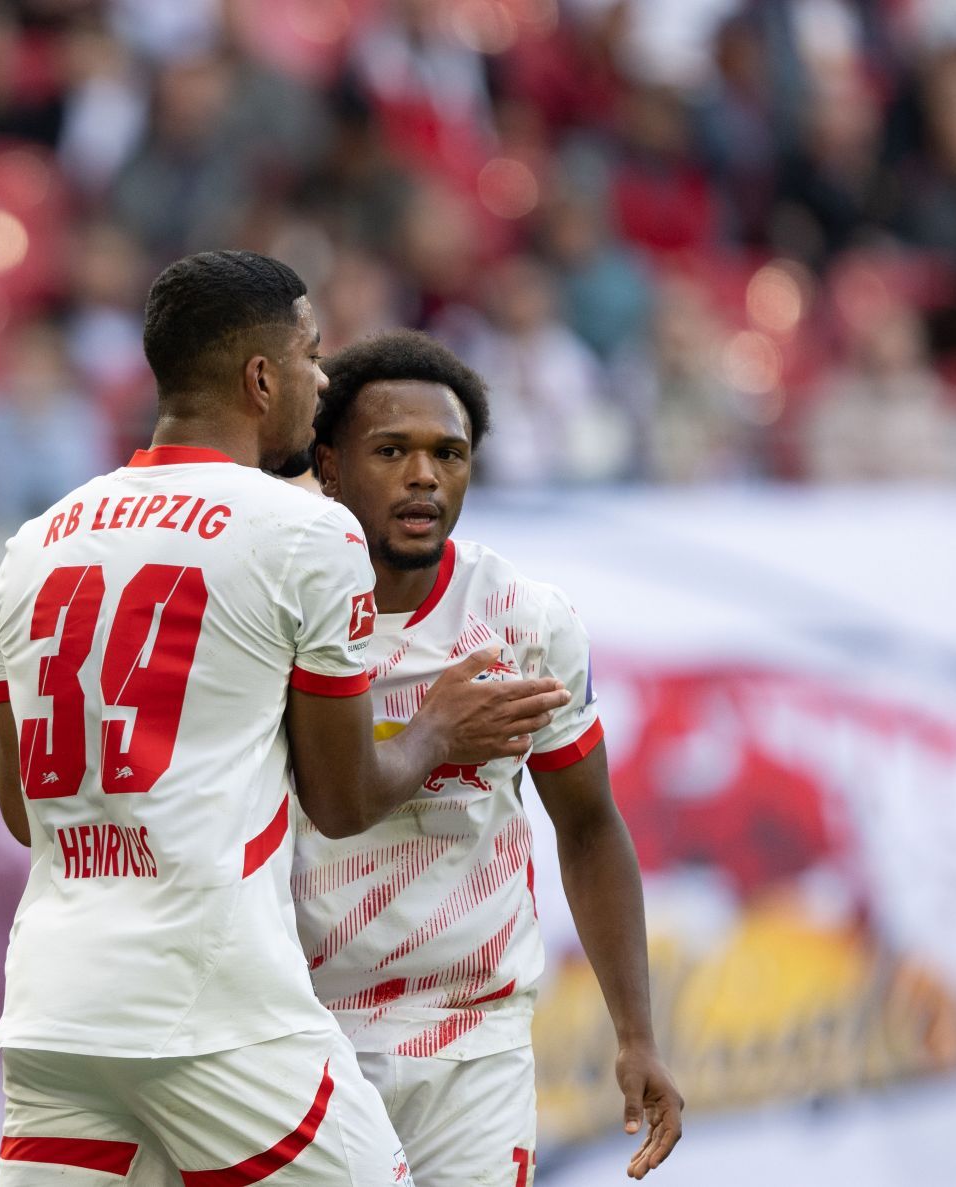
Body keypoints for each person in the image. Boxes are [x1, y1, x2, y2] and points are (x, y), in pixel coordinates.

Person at [0, 251, 570, 1185]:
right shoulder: (304, 532)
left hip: (57, 1009)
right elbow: (342, 799)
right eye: (311, 353)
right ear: (263, 378)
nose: (322, 378)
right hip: (216, 1006)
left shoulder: (35, 543)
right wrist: (440, 729)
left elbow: (25, 810)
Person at [295, 330, 683, 1185]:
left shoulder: (523, 620)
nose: (424, 475)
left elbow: (588, 825)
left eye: (449, 453)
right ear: (327, 462)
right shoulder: (278, 608)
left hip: (472, 1036)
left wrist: (635, 1033)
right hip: (300, 1031)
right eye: (391, 450)